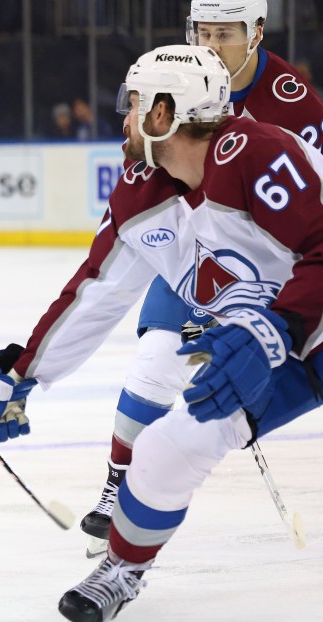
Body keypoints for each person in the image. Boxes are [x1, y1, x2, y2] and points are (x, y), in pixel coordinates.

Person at [0, 43, 323, 622]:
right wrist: (22, 371)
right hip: (272, 345)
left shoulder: (259, 153)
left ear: (163, 114)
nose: (123, 118)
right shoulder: (142, 190)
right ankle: (122, 568)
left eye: (133, 104)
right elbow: (95, 292)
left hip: (293, 328)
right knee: (164, 450)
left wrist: (273, 328)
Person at [77, 0, 323, 559]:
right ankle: (119, 484)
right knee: (156, 359)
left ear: (256, 33)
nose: (212, 44)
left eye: (226, 33)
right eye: (203, 31)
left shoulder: (292, 98)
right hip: (192, 252)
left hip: (266, 259)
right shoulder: (171, 76)